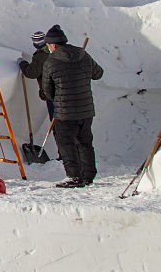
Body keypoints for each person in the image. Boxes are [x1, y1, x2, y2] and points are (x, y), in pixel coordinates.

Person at [41, 24, 104, 188]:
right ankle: (89, 175)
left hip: (65, 112)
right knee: (85, 142)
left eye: (48, 45)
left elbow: (47, 89)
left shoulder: (51, 62)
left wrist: (58, 100)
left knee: (66, 143)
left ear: (53, 45)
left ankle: (74, 175)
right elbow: (98, 74)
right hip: (85, 109)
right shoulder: (83, 55)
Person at [18, 30, 53, 119]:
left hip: (52, 94)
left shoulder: (41, 56)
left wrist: (22, 63)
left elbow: (31, 73)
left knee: (57, 122)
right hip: (61, 92)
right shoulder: (53, 51)